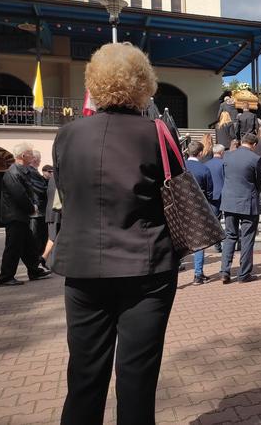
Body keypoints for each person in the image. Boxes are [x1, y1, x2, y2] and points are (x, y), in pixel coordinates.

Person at [52, 43, 181, 425]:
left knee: (84, 377)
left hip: (83, 265)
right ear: (144, 83)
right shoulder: (156, 132)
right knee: (137, 379)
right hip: (147, 268)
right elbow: (176, 191)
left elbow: (66, 194)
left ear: (95, 82)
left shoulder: (67, 135)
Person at [0, 143, 51, 286]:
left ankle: (34, 271)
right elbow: (19, 195)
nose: (33, 156)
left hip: (20, 216)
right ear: (23, 156)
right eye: (30, 153)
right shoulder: (13, 173)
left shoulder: (22, 171)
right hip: (14, 216)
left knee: (29, 246)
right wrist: (32, 207)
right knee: (13, 247)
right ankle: (5, 277)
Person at [219, 133, 261, 284]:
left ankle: (225, 271)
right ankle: (243, 274)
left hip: (229, 201)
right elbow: (259, 182)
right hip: (247, 202)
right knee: (247, 238)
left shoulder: (227, 156)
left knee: (230, 236)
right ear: (254, 145)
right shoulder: (255, 158)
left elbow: (225, 176)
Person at [186, 141, 214, 284]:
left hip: (181, 206)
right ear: (201, 153)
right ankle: (198, 274)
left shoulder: (180, 166)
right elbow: (210, 191)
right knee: (199, 242)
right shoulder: (203, 169)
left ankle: (179, 265)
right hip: (198, 207)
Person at [27, 150, 49, 256]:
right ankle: (37, 259)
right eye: (39, 158)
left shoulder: (34, 171)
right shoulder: (31, 171)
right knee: (37, 237)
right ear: (35, 159)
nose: (40, 161)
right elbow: (40, 189)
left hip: (40, 209)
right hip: (37, 210)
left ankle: (38, 257)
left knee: (40, 236)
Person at [205, 144, 225, 253]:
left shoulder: (206, 164)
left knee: (215, 220)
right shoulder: (224, 164)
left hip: (212, 195)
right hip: (224, 194)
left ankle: (217, 244)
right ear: (222, 152)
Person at [41, 166, 60, 268]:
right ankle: (44, 259)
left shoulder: (54, 177)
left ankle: (45, 259)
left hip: (53, 212)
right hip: (56, 213)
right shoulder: (58, 177)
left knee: (52, 237)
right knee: (53, 238)